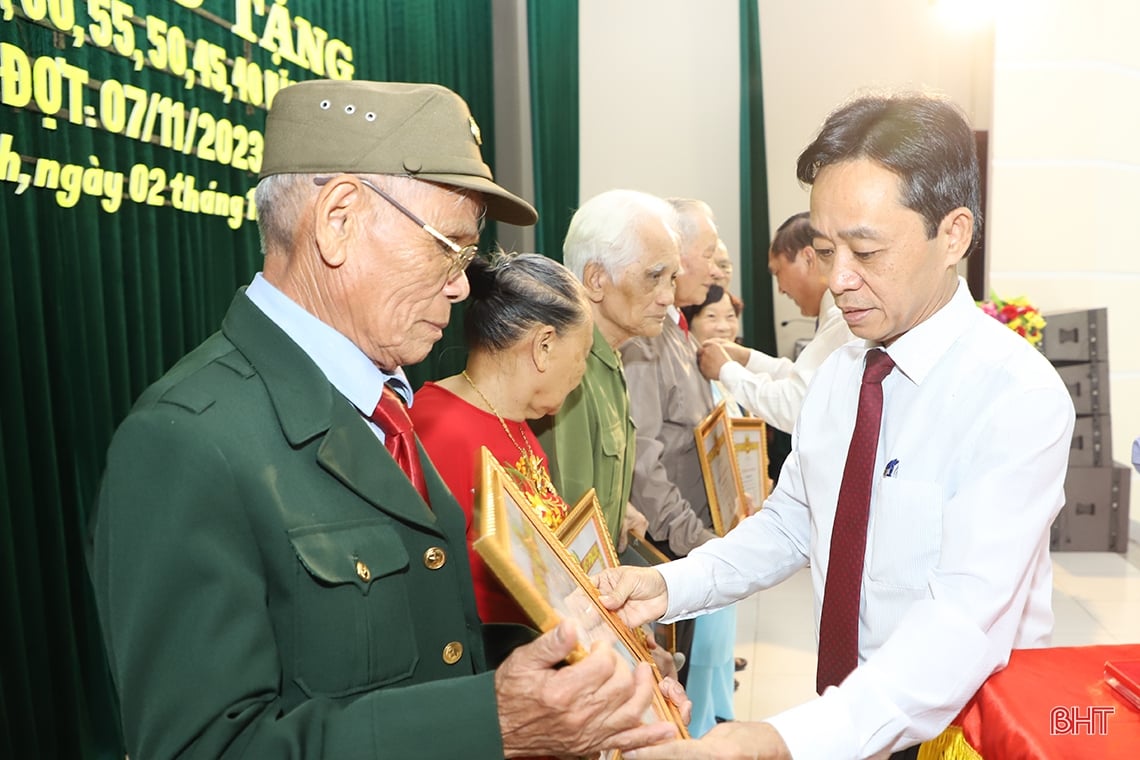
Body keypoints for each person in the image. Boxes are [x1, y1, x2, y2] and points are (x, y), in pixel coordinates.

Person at [88, 79, 687, 760]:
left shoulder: (384, 404)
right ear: (339, 219)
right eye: (449, 246)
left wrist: (588, 675)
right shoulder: (186, 441)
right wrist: (492, 723)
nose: (463, 285)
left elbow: (429, 647)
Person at [600, 92, 1076, 760]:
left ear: (955, 235)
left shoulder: (1015, 397)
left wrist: (779, 739)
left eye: (867, 251)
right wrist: (666, 585)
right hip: (849, 719)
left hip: (960, 729)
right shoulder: (845, 374)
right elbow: (793, 521)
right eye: (827, 252)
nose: (840, 282)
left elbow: (962, 623)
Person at [409, 251, 593, 626]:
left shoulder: (516, 420)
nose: (582, 370)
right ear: (544, 345)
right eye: (584, 353)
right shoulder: (437, 430)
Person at [533, 188, 681, 551]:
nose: (668, 297)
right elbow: (567, 526)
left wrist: (617, 511)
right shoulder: (569, 373)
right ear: (596, 279)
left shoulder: (611, 355)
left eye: (673, 278)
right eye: (654, 277)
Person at [620, 197, 724, 687]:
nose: (717, 262)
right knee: (665, 681)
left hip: (691, 539)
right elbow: (644, 462)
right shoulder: (646, 339)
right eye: (708, 250)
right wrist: (696, 541)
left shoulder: (679, 330)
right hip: (669, 546)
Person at [697, 212, 854, 434]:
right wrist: (746, 358)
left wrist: (726, 370)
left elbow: (797, 404)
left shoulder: (843, 316)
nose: (780, 288)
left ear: (809, 259)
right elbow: (805, 378)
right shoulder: (834, 313)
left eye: (778, 273)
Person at [681, 284, 747, 418]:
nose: (723, 327)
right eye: (711, 316)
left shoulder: (740, 367)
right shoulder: (684, 370)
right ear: (689, 322)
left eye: (730, 316)